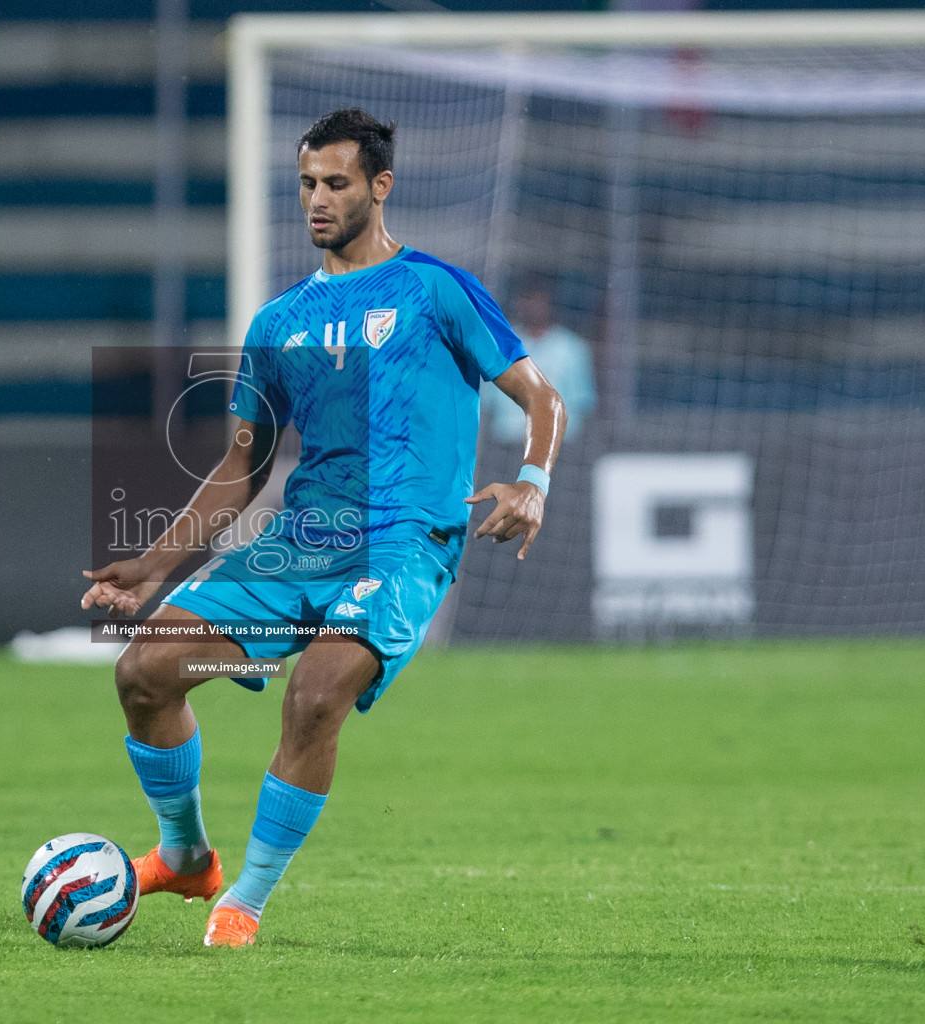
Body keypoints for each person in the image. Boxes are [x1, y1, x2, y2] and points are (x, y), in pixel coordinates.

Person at [81, 109, 565, 947]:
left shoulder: (434, 288)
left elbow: (541, 398)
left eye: (335, 183)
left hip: (404, 545)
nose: (316, 199)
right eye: (306, 183)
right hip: (300, 546)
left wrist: (532, 482)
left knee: (314, 694)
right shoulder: (278, 325)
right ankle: (187, 854)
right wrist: (155, 566)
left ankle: (247, 900)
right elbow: (242, 466)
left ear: (379, 187)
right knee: (146, 671)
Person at [485, 272, 596, 443]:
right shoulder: (499, 345)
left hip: (557, 445)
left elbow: (584, 404)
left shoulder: (572, 348)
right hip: (509, 443)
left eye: (538, 300)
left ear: (550, 302)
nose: (532, 306)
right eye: (526, 299)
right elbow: (487, 403)